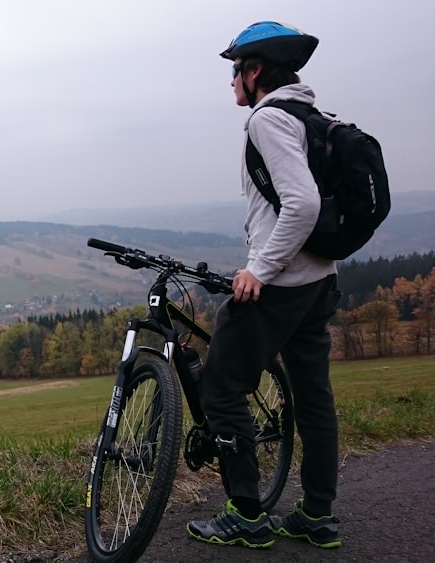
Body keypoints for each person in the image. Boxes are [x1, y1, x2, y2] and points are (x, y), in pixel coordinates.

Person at [185, 21, 343, 549]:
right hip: (320, 280)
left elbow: (302, 203)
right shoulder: (312, 116)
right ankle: (318, 515)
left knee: (221, 387)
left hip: (281, 284)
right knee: (314, 397)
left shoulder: (268, 120)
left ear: (255, 72)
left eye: (235, 70)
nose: (231, 81)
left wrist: (260, 269)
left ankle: (246, 512)